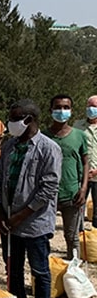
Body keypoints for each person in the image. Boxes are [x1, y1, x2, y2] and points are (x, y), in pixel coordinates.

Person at [0, 99, 62, 298]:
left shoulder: (48, 148)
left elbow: (48, 188)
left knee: (39, 270)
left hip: (34, 223)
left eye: (15, 119)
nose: (10, 124)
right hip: (8, 223)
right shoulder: (10, 146)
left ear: (29, 120)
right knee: (13, 270)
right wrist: (2, 211)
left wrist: (20, 216)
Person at [44, 94, 90, 260]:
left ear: (71, 111)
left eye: (65, 107)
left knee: (72, 237)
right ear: (50, 111)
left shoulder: (79, 136)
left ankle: (74, 271)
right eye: (57, 107)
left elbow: (86, 162)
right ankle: (45, 274)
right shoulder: (43, 137)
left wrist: (83, 188)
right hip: (47, 195)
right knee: (43, 236)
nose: (61, 111)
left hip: (72, 194)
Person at [73, 94, 97, 228]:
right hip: (82, 175)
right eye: (89, 106)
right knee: (78, 205)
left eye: (94, 106)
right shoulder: (78, 125)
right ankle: (78, 237)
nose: (91, 109)